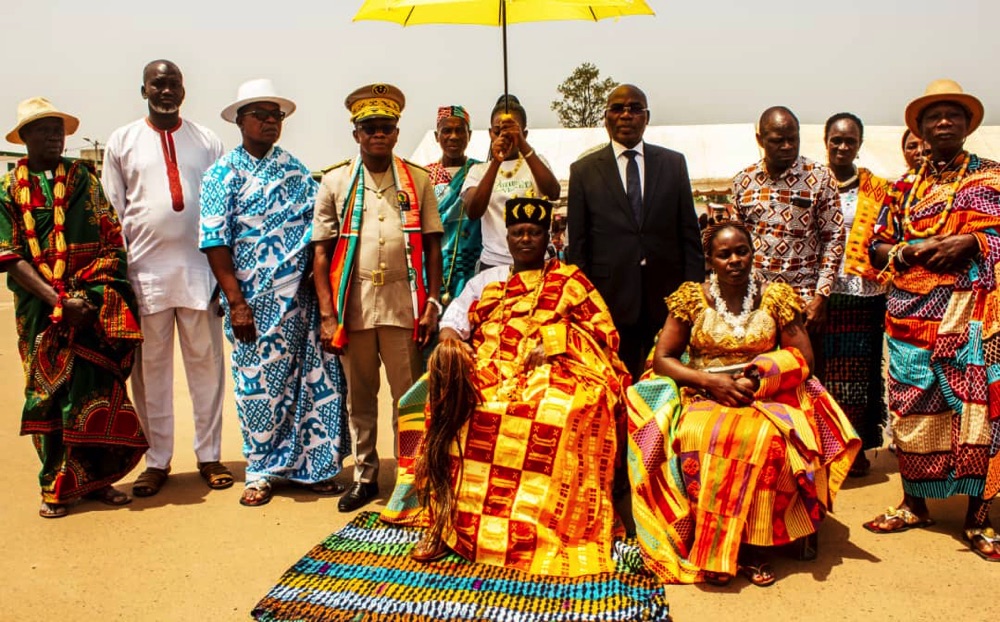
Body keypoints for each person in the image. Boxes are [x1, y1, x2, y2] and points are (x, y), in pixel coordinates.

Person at [382, 197, 631, 576]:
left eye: (534, 232)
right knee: (446, 398)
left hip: (554, 370)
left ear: (547, 236)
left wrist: (556, 339)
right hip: (490, 366)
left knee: (559, 411)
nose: (526, 239)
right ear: (507, 237)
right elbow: (453, 323)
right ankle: (442, 520)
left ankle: (552, 524)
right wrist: (453, 347)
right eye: (518, 233)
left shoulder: (570, 279)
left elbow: (602, 332)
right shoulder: (489, 280)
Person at [627, 220, 859, 587]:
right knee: (696, 435)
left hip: (764, 393)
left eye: (742, 251)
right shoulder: (692, 298)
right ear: (710, 260)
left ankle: (755, 542)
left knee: (765, 438)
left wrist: (757, 379)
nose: (735, 260)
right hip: (704, 392)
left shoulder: (775, 296)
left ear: (753, 253)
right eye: (724, 254)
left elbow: (803, 358)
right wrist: (710, 382)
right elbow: (663, 359)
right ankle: (720, 543)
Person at [863, 80, 1000, 562]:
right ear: (919, 129)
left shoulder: (990, 178)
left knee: (976, 415)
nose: (943, 123)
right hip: (907, 317)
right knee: (910, 410)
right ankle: (914, 503)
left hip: (971, 318)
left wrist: (974, 243)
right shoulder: (903, 187)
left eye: (953, 116)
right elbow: (875, 244)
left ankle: (978, 519)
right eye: (933, 117)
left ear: (967, 126)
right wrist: (906, 249)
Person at [199, 79, 349, 507]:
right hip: (252, 304)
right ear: (240, 121)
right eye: (261, 115)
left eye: (276, 116)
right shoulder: (220, 174)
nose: (270, 122)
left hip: (300, 301)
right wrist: (237, 303)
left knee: (313, 384)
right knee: (258, 390)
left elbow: (319, 232)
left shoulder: (297, 171)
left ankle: (312, 468)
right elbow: (214, 241)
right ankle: (262, 470)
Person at [0, 97, 146, 518]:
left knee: (97, 389)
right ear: (24, 137)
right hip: (39, 310)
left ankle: (99, 480)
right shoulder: (8, 189)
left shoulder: (83, 177)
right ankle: (56, 485)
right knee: (48, 395)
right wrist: (58, 302)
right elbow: (8, 254)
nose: (54, 136)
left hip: (90, 302)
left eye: (58, 129)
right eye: (43, 130)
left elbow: (110, 238)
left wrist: (90, 296)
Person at [312, 83, 443, 513]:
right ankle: (365, 476)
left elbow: (434, 245)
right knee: (360, 397)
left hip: (404, 305)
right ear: (356, 134)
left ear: (397, 132)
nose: (378, 135)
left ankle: (412, 476)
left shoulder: (418, 179)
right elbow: (321, 252)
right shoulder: (335, 180)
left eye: (385, 127)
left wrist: (433, 302)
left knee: (407, 397)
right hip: (354, 304)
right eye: (369, 128)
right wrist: (328, 314)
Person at [102, 59, 229, 497]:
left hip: (201, 273)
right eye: (158, 84)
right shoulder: (122, 141)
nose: (166, 91)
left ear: (183, 90)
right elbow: (112, 215)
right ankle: (157, 461)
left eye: (173, 84)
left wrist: (223, 279)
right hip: (145, 275)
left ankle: (209, 456)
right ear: (144, 91)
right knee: (151, 374)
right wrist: (120, 285)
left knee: (207, 370)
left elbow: (221, 210)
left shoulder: (207, 140)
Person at [567, 84, 704, 382]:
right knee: (617, 384)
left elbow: (690, 237)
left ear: (646, 117)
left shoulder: (673, 164)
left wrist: (693, 298)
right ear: (606, 118)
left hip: (669, 302)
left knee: (670, 385)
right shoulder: (583, 171)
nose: (626, 115)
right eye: (618, 108)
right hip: (610, 301)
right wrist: (586, 305)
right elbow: (577, 248)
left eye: (634, 108)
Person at [732, 106, 845, 377]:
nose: (787, 145)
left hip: (803, 301)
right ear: (760, 140)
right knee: (759, 377)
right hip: (757, 301)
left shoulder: (819, 177)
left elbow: (834, 238)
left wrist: (821, 296)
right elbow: (736, 244)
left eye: (792, 138)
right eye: (777, 140)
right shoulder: (743, 181)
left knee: (806, 376)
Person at [822, 112, 889, 477]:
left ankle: (858, 446)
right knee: (826, 375)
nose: (843, 146)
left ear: (859, 144)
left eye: (850, 140)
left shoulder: (877, 188)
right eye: (837, 139)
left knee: (862, 377)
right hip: (824, 293)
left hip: (866, 293)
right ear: (826, 141)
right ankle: (831, 447)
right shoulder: (813, 183)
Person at [462, 94, 560, 271]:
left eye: (512, 131)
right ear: (490, 133)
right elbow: (473, 211)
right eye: (497, 132)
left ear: (525, 133)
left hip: (538, 262)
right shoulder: (478, 171)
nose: (504, 137)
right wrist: (496, 162)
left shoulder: (537, 163)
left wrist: (523, 145)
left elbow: (553, 192)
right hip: (494, 264)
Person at [425, 105, 482, 306]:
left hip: (471, 261)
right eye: (446, 131)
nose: (453, 136)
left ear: (470, 135)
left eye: (460, 130)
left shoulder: (480, 171)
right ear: (436, 135)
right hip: (433, 265)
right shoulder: (424, 176)